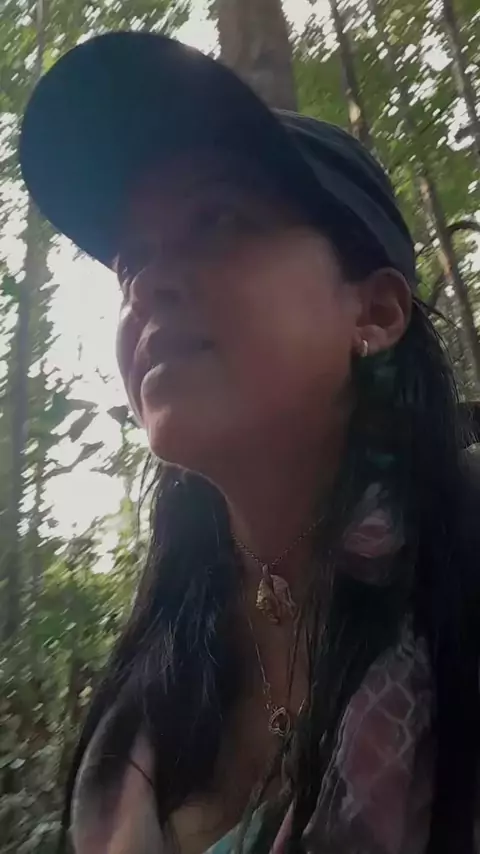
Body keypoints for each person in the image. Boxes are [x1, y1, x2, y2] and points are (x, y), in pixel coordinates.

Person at [20, 31, 480, 854]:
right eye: (130, 262)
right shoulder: (158, 669)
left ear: (375, 312)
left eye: (218, 220)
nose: (147, 284)